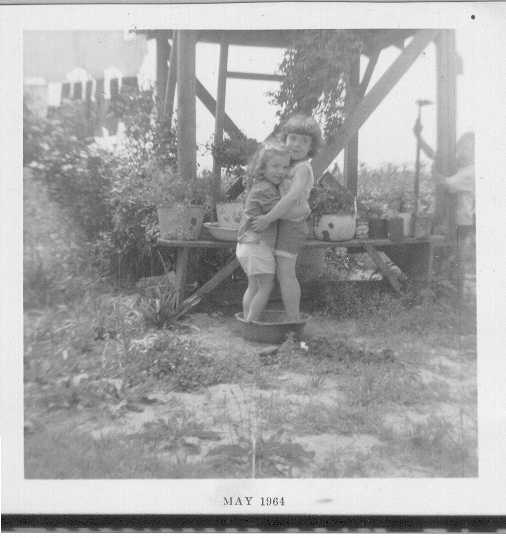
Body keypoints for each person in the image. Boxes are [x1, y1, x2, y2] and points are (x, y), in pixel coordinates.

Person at [251, 114, 322, 320]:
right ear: (285, 139)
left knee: (286, 273)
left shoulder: (303, 169)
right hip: (280, 223)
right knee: (270, 272)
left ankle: (293, 319)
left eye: (304, 141)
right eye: (293, 138)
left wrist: (268, 218)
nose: (297, 144)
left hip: (292, 226)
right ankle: (256, 315)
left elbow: (291, 197)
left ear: (311, 147)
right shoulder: (285, 165)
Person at [414, 122, 475, 298]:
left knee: (458, 259)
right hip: (450, 221)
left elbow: (445, 182)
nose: (462, 152)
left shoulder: (470, 172)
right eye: (461, 147)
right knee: (446, 257)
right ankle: (445, 293)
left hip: (462, 224)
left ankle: (457, 297)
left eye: (467, 148)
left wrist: (434, 171)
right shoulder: (459, 167)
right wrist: (419, 136)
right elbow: (434, 154)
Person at [236, 144, 291, 322]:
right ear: (263, 168)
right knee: (266, 286)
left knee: (254, 286)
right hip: (257, 245)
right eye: (275, 166)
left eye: (285, 167)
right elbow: (284, 211)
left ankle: (247, 320)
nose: (281, 171)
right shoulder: (266, 189)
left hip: (247, 244)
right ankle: (251, 322)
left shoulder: (259, 186)